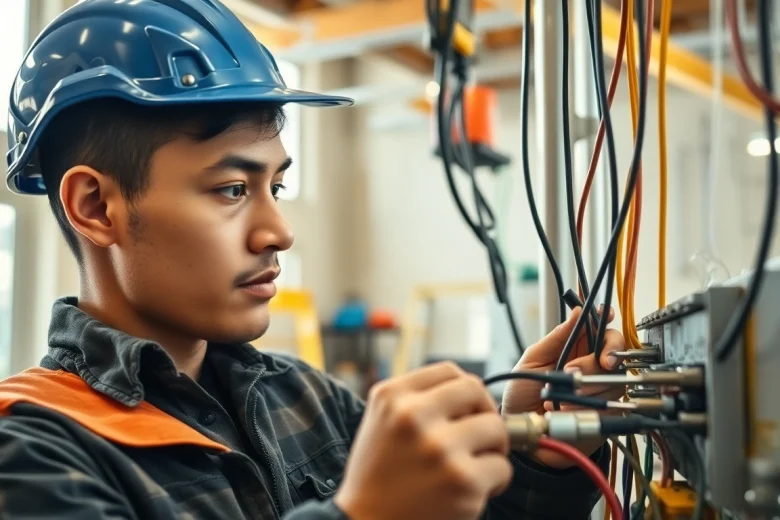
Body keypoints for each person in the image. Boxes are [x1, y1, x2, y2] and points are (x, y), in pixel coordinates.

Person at [0, 1, 627, 518]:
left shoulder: (308, 400)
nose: (278, 231)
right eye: (231, 189)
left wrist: (530, 460)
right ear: (95, 207)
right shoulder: (34, 451)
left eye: (274, 187)